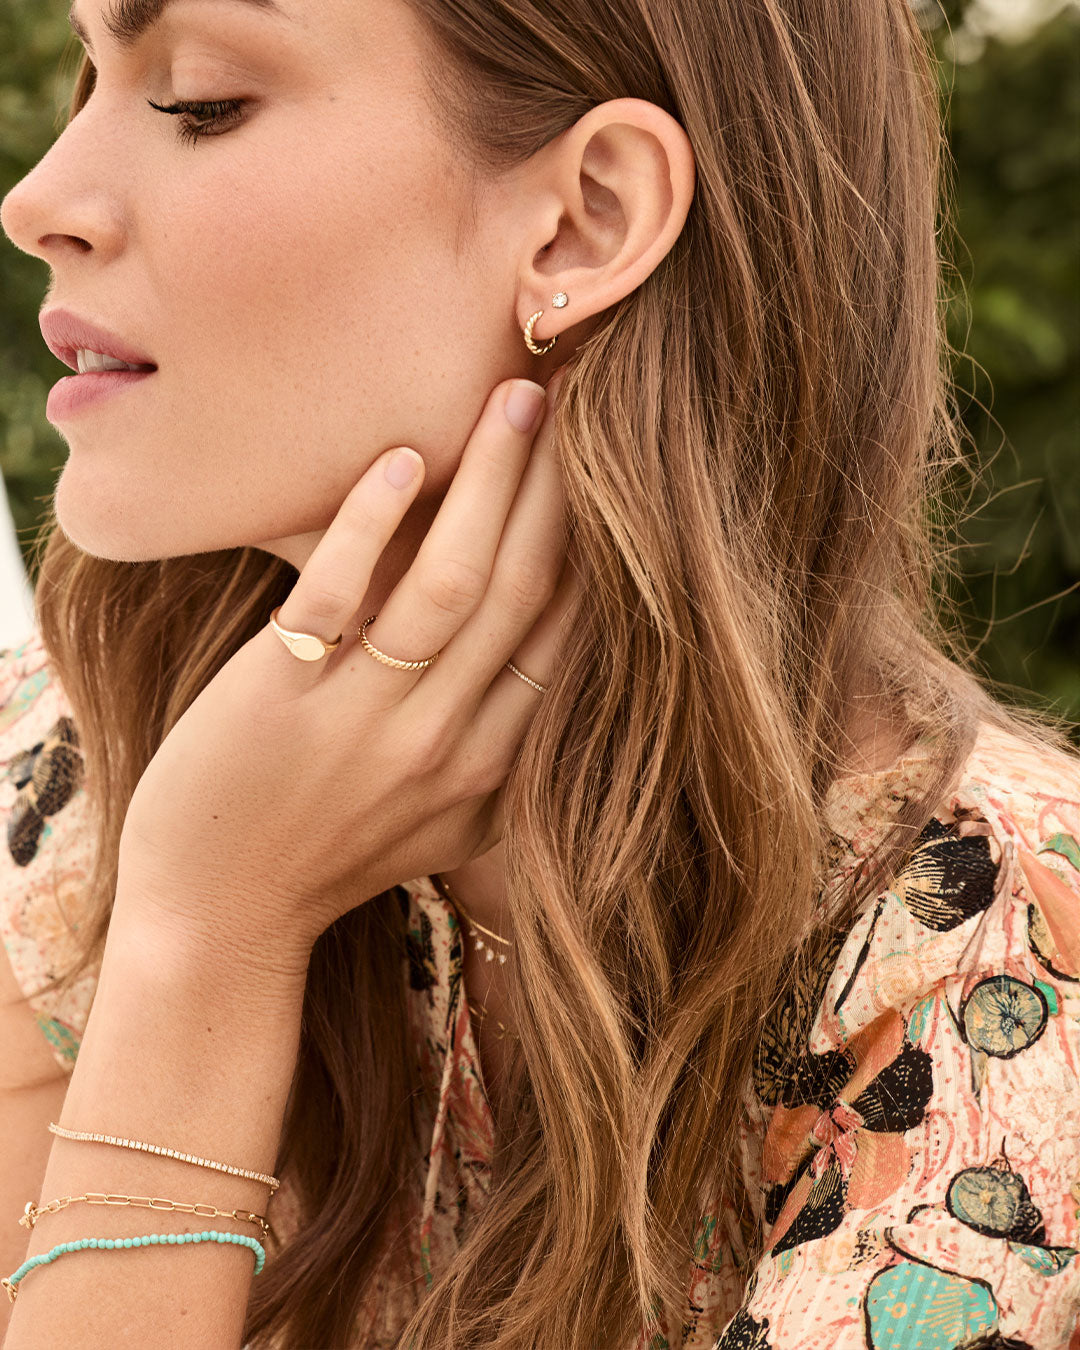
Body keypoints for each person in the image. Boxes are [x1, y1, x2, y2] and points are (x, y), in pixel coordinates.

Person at [0, 0, 1077, 1345]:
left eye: (199, 100)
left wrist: (206, 940)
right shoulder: (95, 756)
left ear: (587, 222)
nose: (38, 200)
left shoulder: (997, 970)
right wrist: (204, 929)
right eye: (89, 74)